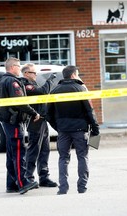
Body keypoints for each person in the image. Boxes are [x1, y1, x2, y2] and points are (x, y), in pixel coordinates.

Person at [46, 65, 100, 195]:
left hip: (63, 130)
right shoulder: (80, 89)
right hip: (80, 129)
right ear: (73, 75)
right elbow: (89, 111)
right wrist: (95, 128)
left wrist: (58, 127)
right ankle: (82, 187)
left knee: (63, 158)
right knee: (82, 157)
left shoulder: (54, 91)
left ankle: (63, 188)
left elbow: (48, 114)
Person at [0, 57, 40, 194]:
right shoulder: (12, 81)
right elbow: (20, 102)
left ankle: (12, 183)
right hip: (14, 121)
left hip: (7, 121)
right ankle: (22, 183)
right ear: (12, 67)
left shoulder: (1, 81)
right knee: (19, 152)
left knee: (11, 153)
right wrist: (33, 113)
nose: (20, 69)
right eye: (19, 66)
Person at [20, 63, 58, 188]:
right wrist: (50, 80)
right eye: (33, 72)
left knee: (44, 150)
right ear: (26, 73)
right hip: (34, 121)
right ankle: (28, 177)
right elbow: (42, 92)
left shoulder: (33, 83)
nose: (35, 75)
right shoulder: (25, 85)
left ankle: (44, 177)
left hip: (42, 120)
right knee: (34, 150)